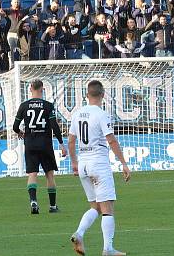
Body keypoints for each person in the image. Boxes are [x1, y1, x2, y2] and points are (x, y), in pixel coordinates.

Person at [68, 80, 131, 256]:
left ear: (87, 95)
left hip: (83, 165)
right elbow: (111, 140)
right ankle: (108, 249)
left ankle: (79, 233)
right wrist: (124, 164)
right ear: (103, 95)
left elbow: (71, 141)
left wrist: (74, 163)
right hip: (98, 164)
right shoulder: (102, 115)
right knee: (107, 208)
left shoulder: (77, 114)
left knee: (95, 207)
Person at [12, 79, 67, 214]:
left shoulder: (24, 106)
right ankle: (53, 206)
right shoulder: (48, 106)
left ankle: (33, 201)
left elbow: (15, 127)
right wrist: (61, 143)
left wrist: (20, 133)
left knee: (32, 174)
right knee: (49, 174)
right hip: (45, 144)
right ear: (42, 89)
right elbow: (54, 126)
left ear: (30, 88)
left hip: (30, 144)